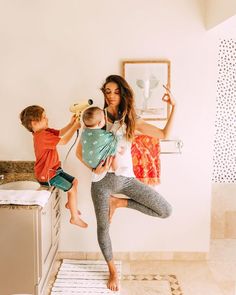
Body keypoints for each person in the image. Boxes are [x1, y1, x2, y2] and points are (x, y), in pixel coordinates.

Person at [76, 75, 176, 291]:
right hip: (101, 182)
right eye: (107, 91)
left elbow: (164, 134)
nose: (111, 96)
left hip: (127, 181)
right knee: (103, 228)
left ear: (123, 93)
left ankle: (119, 203)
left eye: (116, 91)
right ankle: (112, 271)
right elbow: (79, 151)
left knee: (165, 210)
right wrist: (94, 168)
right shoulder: (95, 117)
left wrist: (174, 107)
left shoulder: (132, 121)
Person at [20, 105, 88, 228]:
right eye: (44, 117)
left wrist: (71, 123)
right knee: (72, 189)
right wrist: (75, 127)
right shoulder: (41, 137)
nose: (47, 119)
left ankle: (70, 204)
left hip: (54, 170)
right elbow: (64, 141)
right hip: (48, 175)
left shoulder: (44, 132)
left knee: (75, 182)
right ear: (34, 123)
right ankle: (74, 218)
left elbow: (61, 133)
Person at [81, 106, 124, 173]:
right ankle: (116, 168)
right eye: (104, 117)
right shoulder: (100, 135)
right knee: (113, 145)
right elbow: (112, 138)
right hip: (97, 162)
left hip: (87, 160)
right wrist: (118, 136)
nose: (105, 118)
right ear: (100, 123)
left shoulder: (85, 131)